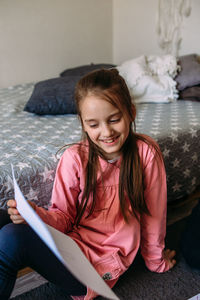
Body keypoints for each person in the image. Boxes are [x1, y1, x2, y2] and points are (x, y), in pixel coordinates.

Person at [0, 69, 176, 300]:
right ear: (83, 124)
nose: (106, 132)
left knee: (13, 238)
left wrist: (155, 261)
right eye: (94, 125)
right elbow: (62, 218)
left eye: (114, 120)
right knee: (4, 218)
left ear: (131, 112)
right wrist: (36, 216)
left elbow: (154, 213)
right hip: (69, 245)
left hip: (98, 267)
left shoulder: (146, 153)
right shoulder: (74, 158)